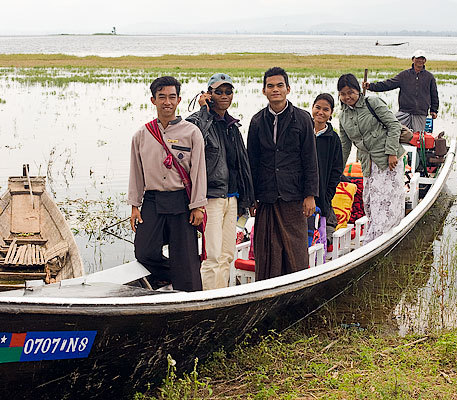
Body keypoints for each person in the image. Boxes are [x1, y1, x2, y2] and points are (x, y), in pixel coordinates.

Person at [128, 76, 207, 292]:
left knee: (185, 256)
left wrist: (198, 206)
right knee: (144, 252)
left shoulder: (191, 132)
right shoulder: (142, 135)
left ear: (179, 100)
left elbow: (200, 172)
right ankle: (171, 275)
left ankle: (190, 298)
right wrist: (135, 205)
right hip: (153, 200)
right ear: (153, 100)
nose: (167, 102)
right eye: (161, 97)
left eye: (172, 97)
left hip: (181, 201)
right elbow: (136, 172)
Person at [247, 67, 319, 281]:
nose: (275, 90)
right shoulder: (257, 121)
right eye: (270, 86)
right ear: (264, 91)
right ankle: (267, 291)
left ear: (288, 89)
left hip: (293, 195)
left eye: (280, 86)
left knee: (295, 250)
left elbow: (310, 159)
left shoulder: (303, 119)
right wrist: (251, 198)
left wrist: (310, 195)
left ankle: (296, 289)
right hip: (266, 196)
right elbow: (252, 162)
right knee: (267, 251)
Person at [186, 73, 255, 290]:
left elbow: (242, 165)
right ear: (208, 94)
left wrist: (248, 199)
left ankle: (221, 294)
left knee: (227, 254)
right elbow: (195, 140)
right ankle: (208, 298)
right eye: (218, 92)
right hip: (211, 198)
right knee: (212, 255)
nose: (224, 96)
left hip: (232, 198)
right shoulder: (197, 122)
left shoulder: (232, 127)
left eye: (228, 91)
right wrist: (204, 111)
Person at [338, 73, 406, 242]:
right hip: (368, 163)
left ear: (358, 91)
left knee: (384, 201)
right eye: (343, 93)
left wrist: (391, 153)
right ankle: (377, 234)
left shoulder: (372, 103)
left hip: (388, 159)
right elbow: (345, 145)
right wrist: (337, 169)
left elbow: (393, 125)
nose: (347, 97)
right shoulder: (343, 116)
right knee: (369, 201)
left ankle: (377, 239)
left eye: (351, 92)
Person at [363, 49, 439, 133]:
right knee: (394, 131)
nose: (420, 61)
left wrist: (434, 110)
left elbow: (434, 95)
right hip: (404, 111)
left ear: (425, 61)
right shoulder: (404, 75)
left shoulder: (429, 77)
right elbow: (388, 84)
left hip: (420, 113)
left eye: (422, 59)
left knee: (417, 137)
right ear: (413, 59)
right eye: (418, 58)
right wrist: (371, 86)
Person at [309, 93, 343, 256]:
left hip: (322, 193)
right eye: (318, 108)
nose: (320, 112)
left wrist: (328, 194)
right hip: (299, 193)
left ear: (331, 113)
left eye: (325, 109)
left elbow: (336, 171)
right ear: (312, 108)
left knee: (320, 225)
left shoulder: (333, 138)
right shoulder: (303, 131)